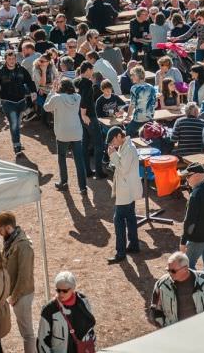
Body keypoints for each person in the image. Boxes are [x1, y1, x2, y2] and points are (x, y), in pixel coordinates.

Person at [0, 212, 35, 353]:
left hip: (21, 294)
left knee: (27, 334)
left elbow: (24, 277)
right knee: (26, 332)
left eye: (0, 229)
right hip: (17, 293)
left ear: (9, 227)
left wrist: (13, 297)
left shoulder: (23, 245)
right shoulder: (11, 241)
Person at [149, 251, 204, 328]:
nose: (170, 273)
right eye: (168, 270)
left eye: (173, 271)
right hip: (175, 332)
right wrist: (164, 328)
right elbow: (154, 310)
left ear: (185, 269)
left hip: (202, 328)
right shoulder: (161, 285)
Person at [105, 126, 142, 264]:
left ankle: (120, 252)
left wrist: (113, 155)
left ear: (120, 136)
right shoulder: (126, 146)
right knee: (130, 217)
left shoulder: (128, 148)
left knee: (118, 220)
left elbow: (123, 169)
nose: (112, 143)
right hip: (128, 189)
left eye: (113, 140)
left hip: (126, 191)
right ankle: (134, 244)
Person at [43, 78, 87, 195]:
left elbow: (46, 107)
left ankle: (64, 182)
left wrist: (52, 91)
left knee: (62, 157)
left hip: (63, 133)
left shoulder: (56, 98)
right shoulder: (77, 97)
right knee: (79, 160)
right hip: (76, 132)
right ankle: (83, 187)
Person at [0, 50, 36, 155]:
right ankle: (17, 146)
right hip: (7, 102)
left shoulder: (21, 70)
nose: (12, 61)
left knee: (17, 124)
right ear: (5, 60)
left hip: (21, 101)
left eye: (13, 58)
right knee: (14, 123)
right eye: (9, 59)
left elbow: (29, 81)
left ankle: (17, 141)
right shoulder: (0, 71)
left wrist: (33, 91)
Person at [179, 162, 204, 283]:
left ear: (196, 175)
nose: (186, 179)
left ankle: (195, 293)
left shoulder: (195, 195)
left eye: (188, 176)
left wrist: (183, 241)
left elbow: (189, 222)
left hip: (199, 239)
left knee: (188, 266)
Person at [37, 271, 96, 352]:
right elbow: (42, 341)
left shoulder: (83, 302)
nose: (61, 293)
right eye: (58, 290)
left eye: (65, 291)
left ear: (72, 289)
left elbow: (90, 327)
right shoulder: (49, 309)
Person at [74, 61, 106, 179]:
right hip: (89, 117)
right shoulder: (87, 83)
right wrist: (84, 114)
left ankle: (87, 170)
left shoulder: (75, 82)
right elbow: (84, 100)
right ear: (87, 70)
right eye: (91, 70)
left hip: (79, 117)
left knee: (85, 143)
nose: (92, 73)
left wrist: (80, 115)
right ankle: (98, 171)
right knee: (99, 144)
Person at [125, 65, 156, 137]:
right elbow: (154, 104)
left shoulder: (134, 88)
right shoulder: (151, 87)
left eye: (132, 75)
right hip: (149, 118)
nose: (131, 77)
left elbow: (132, 104)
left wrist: (128, 116)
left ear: (137, 75)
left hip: (138, 119)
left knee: (127, 135)